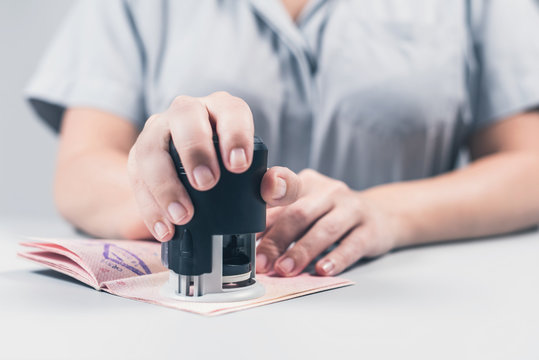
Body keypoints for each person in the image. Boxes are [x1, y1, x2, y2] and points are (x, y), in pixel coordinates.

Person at [26, 0, 539, 277]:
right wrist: (164, 206)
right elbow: (82, 163)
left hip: (402, 302)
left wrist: (387, 213)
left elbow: (528, 163)